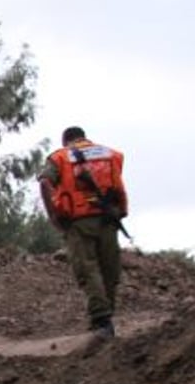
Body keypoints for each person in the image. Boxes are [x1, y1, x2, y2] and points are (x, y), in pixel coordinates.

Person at [38, 126, 129, 338]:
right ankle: (106, 316)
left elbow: (44, 182)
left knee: (87, 268)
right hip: (108, 217)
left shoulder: (60, 157)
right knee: (109, 268)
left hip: (78, 221)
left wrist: (53, 215)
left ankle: (101, 320)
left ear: (66, 141)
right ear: (84, 137)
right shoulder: (109, 154)